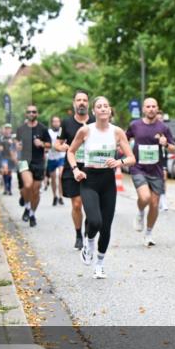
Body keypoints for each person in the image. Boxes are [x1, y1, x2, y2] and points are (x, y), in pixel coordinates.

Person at [66, 96, 135, 279]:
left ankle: (100, 264)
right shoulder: (85, 131)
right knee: (95, 221)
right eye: (99, 106)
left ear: (110, 111)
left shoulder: (117, 132)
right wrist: (75, 170)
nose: (103, 108)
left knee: (106, 227)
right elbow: (70, 152)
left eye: (106, 106)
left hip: (108, 182)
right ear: (94, 111)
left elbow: (131, 158)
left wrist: (118, 161)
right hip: (89, 180)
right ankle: (89, 244)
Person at [126, 97, 175, 247]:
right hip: (138, 168)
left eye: (154, 106)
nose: (151, 109)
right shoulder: (135, 125)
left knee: (154, 204)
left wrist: (165, 143)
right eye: (148, 106)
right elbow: (124, 140)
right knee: (145, 197)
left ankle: (148, 233)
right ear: (143, 109)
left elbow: (174, 149)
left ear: (157, 108)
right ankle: (140, 212)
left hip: (156, 170)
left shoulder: (163, 128)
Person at [54, 91, 94, 249]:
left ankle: (87, 233)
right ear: (74, 103)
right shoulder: (66, 123)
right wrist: (62, 147)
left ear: (88, 104)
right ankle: (78, 234)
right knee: (77, 204)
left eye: (84, 100)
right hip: (72, 167)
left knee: (89, 205)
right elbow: (57, 144)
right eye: (79, 100)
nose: (82, 103)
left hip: (92, 167)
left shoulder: (94, 122)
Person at [16, 105, 51, 227]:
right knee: (28, 184)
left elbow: (50, 145)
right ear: (26, 114)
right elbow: (17, 142)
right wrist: (18, 146)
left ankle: (31, 213)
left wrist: (41, 143)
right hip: (23, 161)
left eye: (34, 112)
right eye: (29, 112)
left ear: (37, 114)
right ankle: (26, 204)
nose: (31, 113)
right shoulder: (21, 129)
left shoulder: (42, 129)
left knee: (36, 191)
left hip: (38, 162)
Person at [45, 115, 65, 205]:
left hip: (61, 156)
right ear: (52, 123)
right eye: (54, 121)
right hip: (51, 157)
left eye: (58, 121)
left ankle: (61, 196)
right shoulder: (48, 132)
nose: (56, 123)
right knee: (53, 178)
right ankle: (54, 196)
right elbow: (46, 143)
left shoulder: (61, 131)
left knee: (60, 176)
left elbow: (65, 141)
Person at [0, 124, 16, 195]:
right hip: (4, 157)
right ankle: (6, 187)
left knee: (9, 173)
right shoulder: (1, 138)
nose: (7, 130)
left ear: (11, 130)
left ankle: (9, 189)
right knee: (5, 171)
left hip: (11, 157)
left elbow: (17, 146)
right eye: (6, 128)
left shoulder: (13, 137)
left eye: (9, 128)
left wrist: (12, 143)